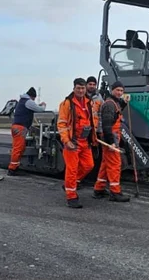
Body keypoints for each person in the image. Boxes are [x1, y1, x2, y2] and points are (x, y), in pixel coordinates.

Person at [57, 78, 96, 208]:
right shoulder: (67, 103)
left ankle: (70, 183)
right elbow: (62, 123)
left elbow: (93, 121)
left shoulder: (89, 103)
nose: (81, 90)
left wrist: (94, 137)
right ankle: (71, 196)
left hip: (85, 142)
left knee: (88, 165)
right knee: (72, 169)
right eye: (78, 88)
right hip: (72, 143)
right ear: (74, 88)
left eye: (83, 88)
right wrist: (66, 141)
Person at [93, 80, 131, 202]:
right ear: (112, 90)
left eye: (121, 91)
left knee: (105, 163)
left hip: (111, 137)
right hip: (110, 137)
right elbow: (107, 125)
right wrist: (111, 142)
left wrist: (124, 103)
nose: (120, 93)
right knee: (115, 164)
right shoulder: (109, 104)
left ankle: (99, 189)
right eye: (118, 90)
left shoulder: (114, 103)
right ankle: (115, 192)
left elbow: (117, 112)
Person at [7, 87, 47, 176]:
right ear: (32, 96)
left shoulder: (23, 100)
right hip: (20, 127)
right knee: (18, 148)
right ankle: (12, 169)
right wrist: (43, 105)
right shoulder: (28, 101)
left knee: (19, 148)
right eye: (34, 99)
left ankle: (15, 166)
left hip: (17, 127)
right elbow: (41, 109)